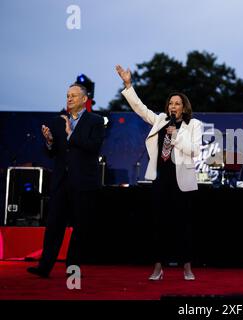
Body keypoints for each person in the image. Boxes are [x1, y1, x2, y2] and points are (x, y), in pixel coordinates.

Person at [115, 65, 202, 281]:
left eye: (177, 103)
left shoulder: (194, 125)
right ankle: (157, 267)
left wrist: (176, 136)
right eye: (171, 103)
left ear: (184, 107)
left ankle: (187, 268)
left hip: (182, 182)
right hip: (161, 179)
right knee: (158, 226)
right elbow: (140, 108)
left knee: (184, 227)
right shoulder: (161, 120)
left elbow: (195, 150)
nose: (173, 106)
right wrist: (128, 85)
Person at [27, 83, 105, 278]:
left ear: (84, 99)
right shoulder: (57, 121)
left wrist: (71, 135)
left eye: (74, 96)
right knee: (54, 225)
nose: (69, 99)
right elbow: (51, 153)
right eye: (67, 95)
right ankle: (44, 267)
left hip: (83, 182)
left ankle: (72, 270)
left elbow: (94, 146)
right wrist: (50, 141)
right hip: (61, 181)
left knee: (80, 227)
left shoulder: (95, 121)